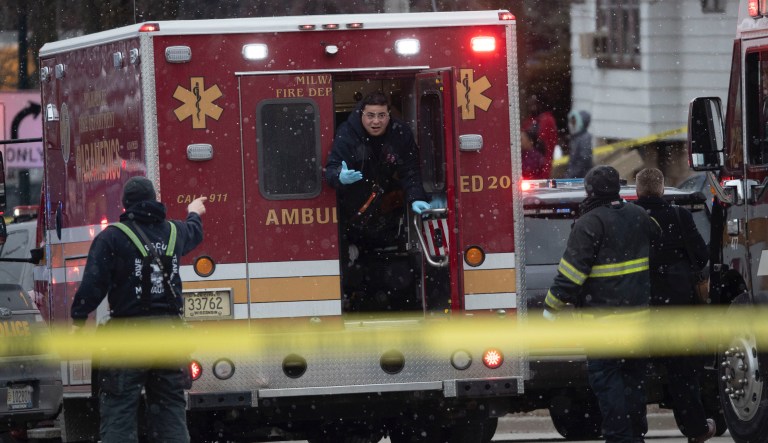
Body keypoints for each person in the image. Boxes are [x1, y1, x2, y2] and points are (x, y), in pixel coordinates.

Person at [71, 176, 206, 443]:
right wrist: (193, 212)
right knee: (170, 410)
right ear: (155, 199)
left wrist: (78, 318)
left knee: (119, 409)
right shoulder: (174, 233)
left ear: (125, 204)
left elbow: (93, 284)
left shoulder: (112, 238)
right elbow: (194, 232)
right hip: (169, 336)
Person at [543, 165, 658, 443]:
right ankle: (635, 435)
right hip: (639, 320)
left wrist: (550, 309)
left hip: (603, 324)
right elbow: (658, 246)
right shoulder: (640, 216)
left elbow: (571, 275)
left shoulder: (588, 224)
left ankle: (620, 437)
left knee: (608, 383)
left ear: (590, 191)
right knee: (633, 381)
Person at [634, 168, 716, 443]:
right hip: (677, 306)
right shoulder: (679, 216)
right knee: (684, 375)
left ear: (637, 191)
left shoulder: (629, 218)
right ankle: (695, 428)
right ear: (661, 189)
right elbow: (702, 255)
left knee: (634, 376)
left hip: (638, 307)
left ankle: (633, 431)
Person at [325, 91, 437, 249]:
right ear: (361, 114)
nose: (376, 121)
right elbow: (331, 169)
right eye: (370, 115)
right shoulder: (347, 133)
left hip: (383, 207)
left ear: (389, 115)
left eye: (381, 115)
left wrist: (416, 197)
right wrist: (339, 176)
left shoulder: (400, 133)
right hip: (350, 209)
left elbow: (411, 170)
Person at [522, 94, 558, 178]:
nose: (531, 107)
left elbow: (548, 145)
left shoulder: (547, 120)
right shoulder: (530, 121)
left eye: (534, 104)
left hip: (540, 162)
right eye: (530, 105)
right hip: (529, 161)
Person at [566, 109, 593, 178]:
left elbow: (584, 160)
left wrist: (571, 175)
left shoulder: (585, 138)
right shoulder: (576, 137)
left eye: (574, 122)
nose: (571, 125)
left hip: (580, 178)